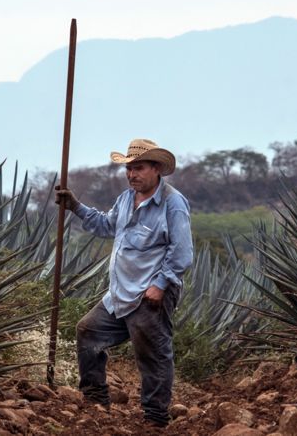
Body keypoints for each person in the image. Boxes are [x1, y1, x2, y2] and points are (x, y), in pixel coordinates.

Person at [55, 138, 194, 427]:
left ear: (156, 169)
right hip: (120, 293)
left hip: (149, 294)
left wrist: (160, 285)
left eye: (138, 168)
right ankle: (95, 400)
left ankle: (155, 419)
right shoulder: (126, 199)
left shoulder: (173, 203)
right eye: (129, 169)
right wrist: (75, 207)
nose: (132, 174)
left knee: (152, 356)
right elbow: (106, 225)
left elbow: (182, 253)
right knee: (88, 331)